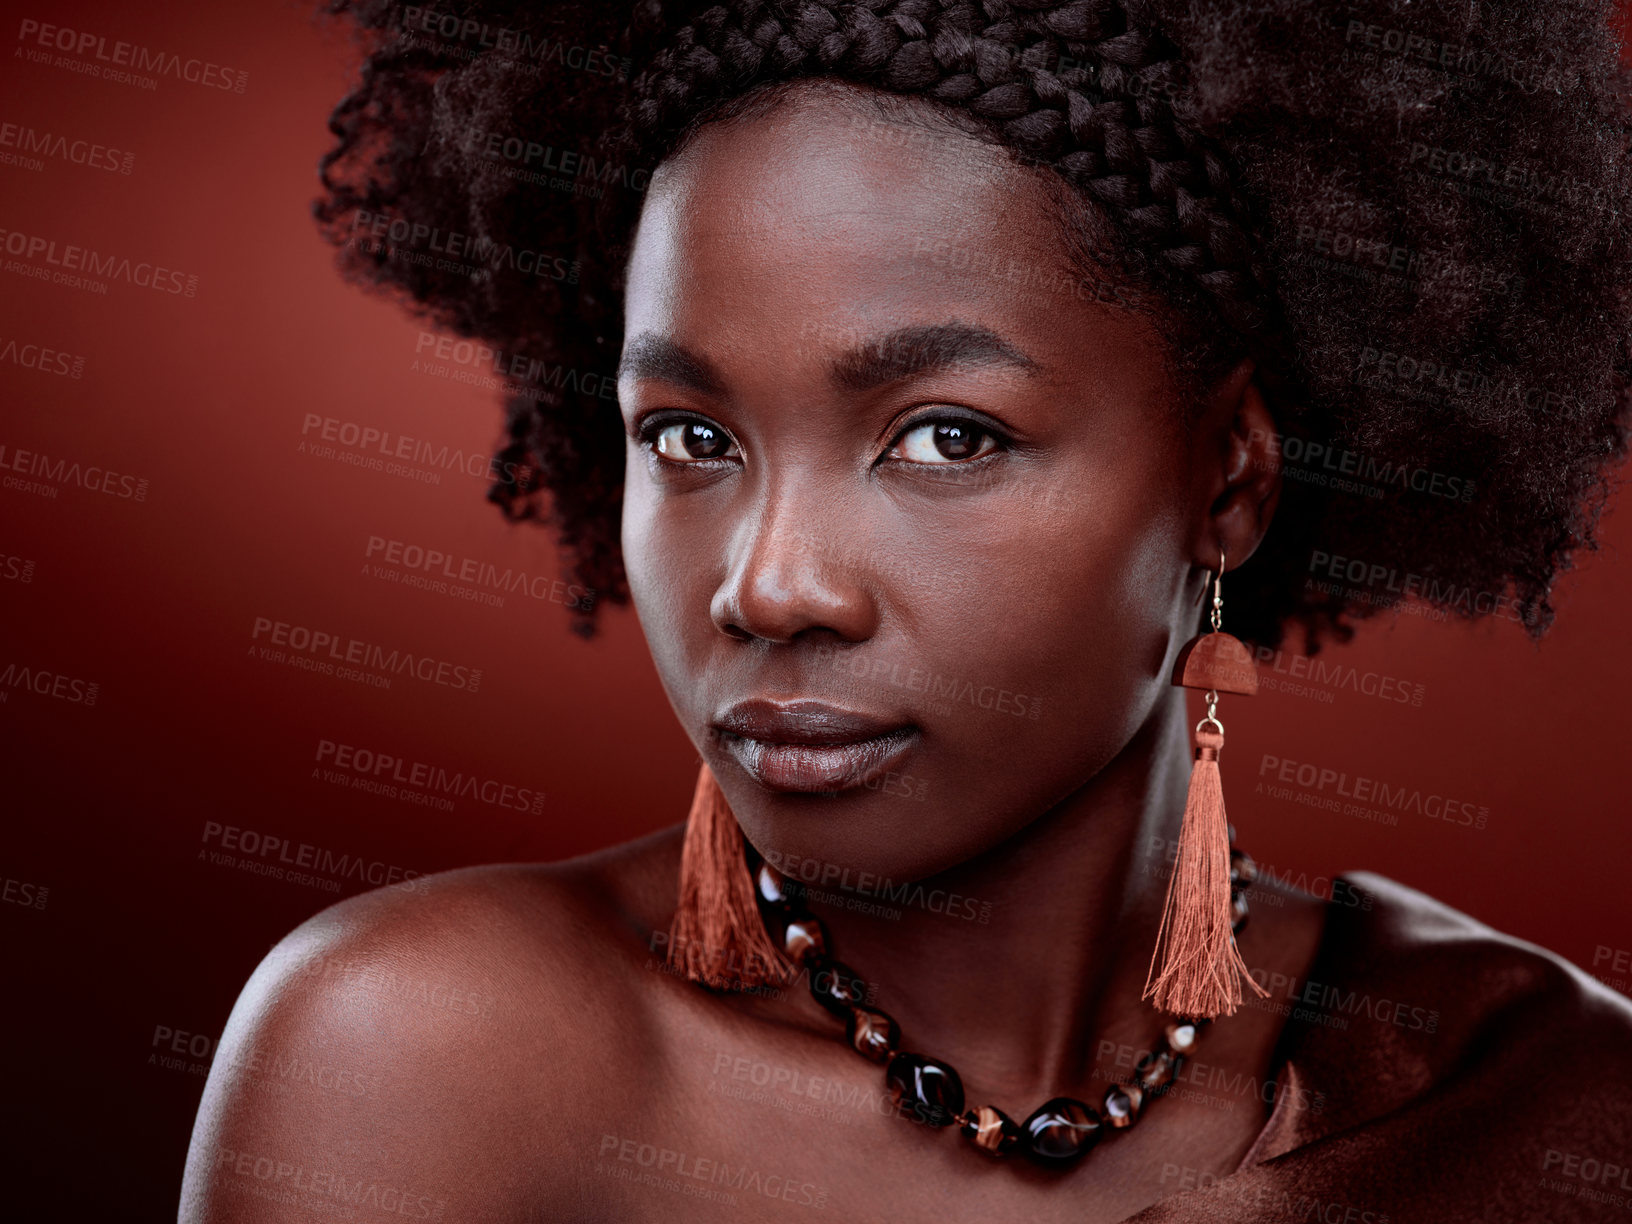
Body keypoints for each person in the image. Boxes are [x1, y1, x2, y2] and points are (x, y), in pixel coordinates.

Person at [181, 1, 1632, 1219]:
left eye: (947, 436)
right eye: (690, 437)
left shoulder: (1537, 1107)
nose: (770, 582)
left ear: (1228, 485)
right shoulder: (426, 1062)